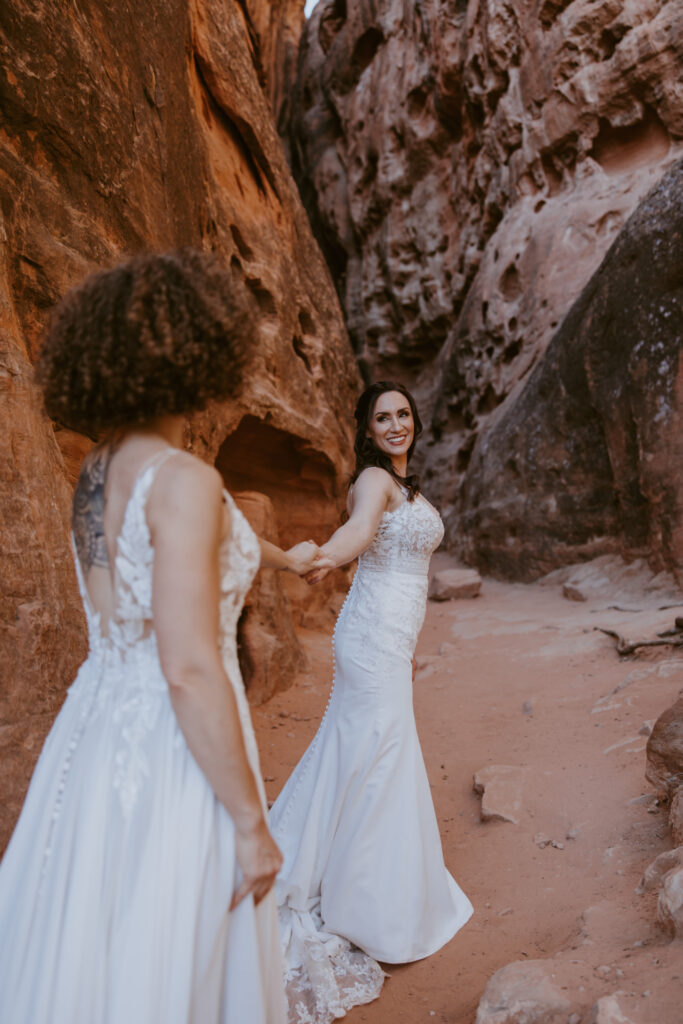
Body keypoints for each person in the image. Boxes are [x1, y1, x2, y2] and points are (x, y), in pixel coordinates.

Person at [0, 250, 321, 1024]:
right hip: (174, 744)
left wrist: (279, 558)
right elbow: (186, 666)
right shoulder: (182, 479)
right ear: (197, 350)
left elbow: (131, 609)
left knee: (97, 932)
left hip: (95, 730)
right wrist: (251, 825)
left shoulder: (98, 474)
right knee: (178, 940)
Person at [269, 381, 474, 1024]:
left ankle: (367, 883)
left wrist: (409, 648)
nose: (395, 425)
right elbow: (359, 531)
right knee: (376, 752)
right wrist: (327, 556)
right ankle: (366, 906)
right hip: (368, 635)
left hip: (391, 635)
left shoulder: (406, 488)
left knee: (366, 747)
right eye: (382, 417)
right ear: (366, 426)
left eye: (403, 414)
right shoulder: (374, 482)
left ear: (416, 420)